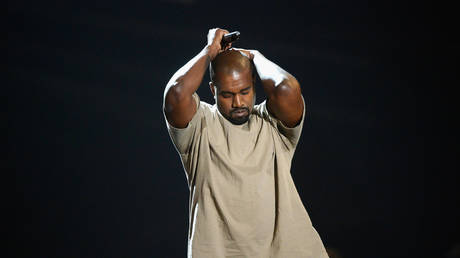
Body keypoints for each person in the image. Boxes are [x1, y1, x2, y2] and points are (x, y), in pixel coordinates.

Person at [163, 28, 328, 258]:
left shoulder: (272, 123)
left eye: (245, 91)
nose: (238, 101)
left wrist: (255, 57)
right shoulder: (200, 127)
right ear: (213, 90)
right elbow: (176, 94)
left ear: (254, 83)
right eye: (227, 94)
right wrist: (209, 51)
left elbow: (287, 89)